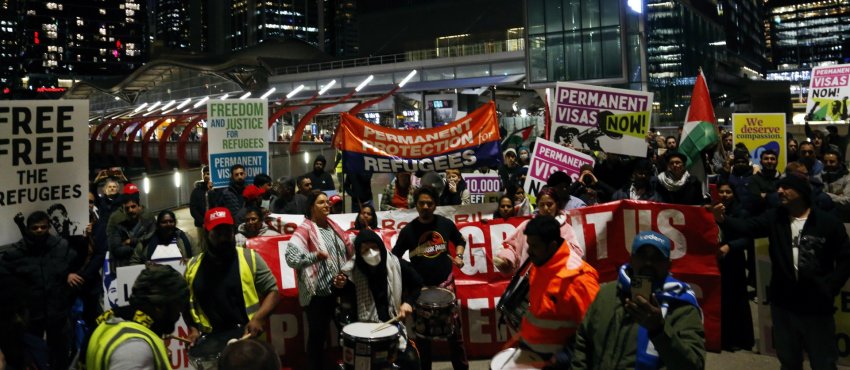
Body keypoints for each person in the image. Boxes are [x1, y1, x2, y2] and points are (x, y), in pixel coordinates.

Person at [711, 173, 850, 370]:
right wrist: (722, 219)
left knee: (823, 361)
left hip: (817, 307)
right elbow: (747, 227)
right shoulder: (775, 218)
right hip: (784, 305)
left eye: (786, 188)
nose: (779, 191)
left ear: (801, 193)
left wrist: (830, 288)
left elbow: (845, 258)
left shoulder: (827, 223)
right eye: (779, 187)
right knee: (789, 360)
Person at [571, 231, 705, 370]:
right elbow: (583, 340)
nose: (648, 263)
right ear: (631, 259)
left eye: (657, 257)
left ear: (668, 265)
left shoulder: (682, 306)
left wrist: (659, 330)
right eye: (642, 255)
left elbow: (694, 365)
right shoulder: (607, 293)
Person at [392, 186, 468, 370]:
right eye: (421, 203)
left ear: (435, 205)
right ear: (416, 205)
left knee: (454, 335)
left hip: (445, 287)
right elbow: (394, 258)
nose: (425, 206)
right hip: (421, 290)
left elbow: (460, 240)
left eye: (429, 203)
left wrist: (459, 255)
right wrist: (408, 273)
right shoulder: (408, 231)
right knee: (423, 337)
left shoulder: (445, 224)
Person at [185, 207, 281, 345]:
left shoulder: (250, 258)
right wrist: (193, 330)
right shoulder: (192, 267)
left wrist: (258, 318)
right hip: (210, 343)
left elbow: (273, 292)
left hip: (247, 340)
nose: (224, 237)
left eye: (228, 231)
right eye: (218, 233)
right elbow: (186, 303)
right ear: (207, 234)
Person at [333, 229, 423, 370]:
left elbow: (417, 283)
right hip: (363, 331)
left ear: (380, 246)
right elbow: (338, 292)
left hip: (392, 329)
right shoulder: (351, 270)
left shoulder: (396, 264)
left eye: (374, 247)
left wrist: (408, 302)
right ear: (358, 252)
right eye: (365, 249)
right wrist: (339, 285)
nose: (371, 252)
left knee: (412, 362)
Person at [517, 216, 599, 366]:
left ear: (552, 246)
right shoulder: (540, 264)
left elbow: (595, 330)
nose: (529, 251)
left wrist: (564, 358)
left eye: (534, 246)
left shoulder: (579, 279)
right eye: (528, 245)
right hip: (532, 355)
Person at [285, 191, 353, 370]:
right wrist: (315, 256)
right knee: (317, 338)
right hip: (318, 294)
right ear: (311, 207)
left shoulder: (334, 227)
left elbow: (346, 254)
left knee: (347, 332)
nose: (326, 205)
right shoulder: (305, 229)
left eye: (327, 202)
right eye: (321, 202)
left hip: (339, 289)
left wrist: (344, 275)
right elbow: (291, 258)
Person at [1, 211, 77, 370]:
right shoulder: (16, 252)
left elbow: (74, 263)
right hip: (31, 314)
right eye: (35, 228)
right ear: (28, 229)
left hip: (57, 311)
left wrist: (69, 275)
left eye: (43, 227)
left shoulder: (60, 246)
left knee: (60, 354)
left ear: (49, 227)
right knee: (33, 357)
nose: (39, 230)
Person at [86, 264, 189, 370]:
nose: (178, 315)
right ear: (159, 306)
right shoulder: (135, 347)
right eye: (177, 307)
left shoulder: (110, 321)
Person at [495, 186, 583, 275]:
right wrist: (505, 259)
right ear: (537, 205)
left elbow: (576, 254)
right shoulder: (527, 225)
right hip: (528, 281)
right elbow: (512, 246)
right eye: (542, 205)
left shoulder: (566, 229)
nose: (545, 208)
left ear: (556, 204)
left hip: (556, 279)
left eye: (549, 204)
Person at [715, 179, 755, 351]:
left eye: (728, 192)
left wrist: (729, 246)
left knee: (735, 300)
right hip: (715, 262)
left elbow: (747, 238)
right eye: (721, 192)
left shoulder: (742, 212)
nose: (724, 195)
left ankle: (736, 340)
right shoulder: (711, 210)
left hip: (734, 262)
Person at [107, 188, 155, 268]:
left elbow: (152, 243)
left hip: (147, 267)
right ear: (124, 210)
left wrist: (130, 242)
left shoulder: (149, 224)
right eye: (127, 208)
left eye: (133, 206)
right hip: (126, 267)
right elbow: (116, 250)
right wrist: (137, 250)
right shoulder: (118, 228)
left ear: (139, 207)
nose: (130, 210)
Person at [821, 149, 850, 223]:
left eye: (832, 162)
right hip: (825, 218)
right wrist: (838, 197)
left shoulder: (847, 178)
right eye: (825, 162)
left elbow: (847, 201)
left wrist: (827, 195)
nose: (828, 164)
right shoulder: (822, 176)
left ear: (839, 162)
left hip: (843, 219)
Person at [190, 166, 212, 253]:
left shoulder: (216, 190)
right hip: (201, 225)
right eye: (204, 174)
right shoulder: (196, 191)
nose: (206, 176)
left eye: (208, 173)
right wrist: (203, 221)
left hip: (214, 223)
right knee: (202, 245)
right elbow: (193, 209)